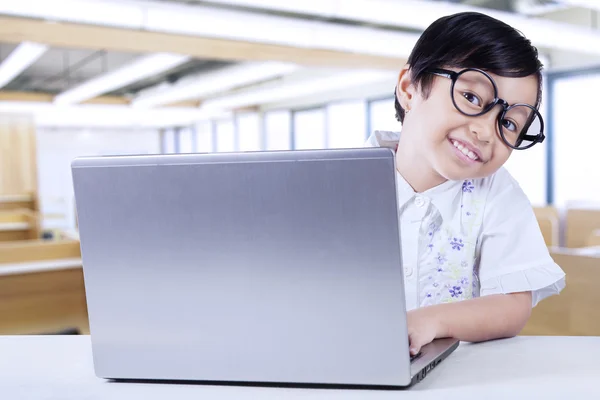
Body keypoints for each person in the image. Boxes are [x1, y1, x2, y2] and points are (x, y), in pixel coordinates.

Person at [364, 12, 566, 356]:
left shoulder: (497, 194)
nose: (486, 132)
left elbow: (512, 305)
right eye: (472, 98)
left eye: (509, 123)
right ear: (409, 89)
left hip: (456, 378)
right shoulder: (343, 183)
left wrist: (431, 321)